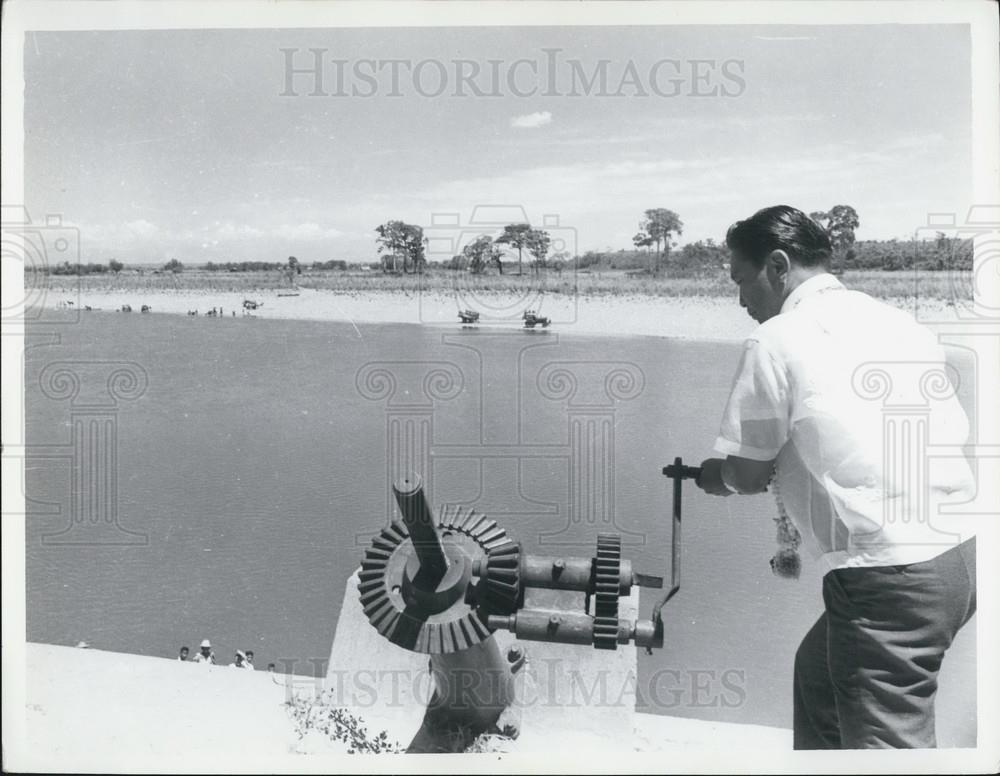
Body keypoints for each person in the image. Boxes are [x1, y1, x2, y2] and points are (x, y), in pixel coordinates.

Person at [695, 205, 976, 750]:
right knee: (819, 676)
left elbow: (748, 474)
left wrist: (715, 475)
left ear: (777, 265)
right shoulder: (896, 320)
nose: (739, 300)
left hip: (892, 575)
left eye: (740, 280)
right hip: (961, 555)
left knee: (888, 745)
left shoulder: (776, 339)